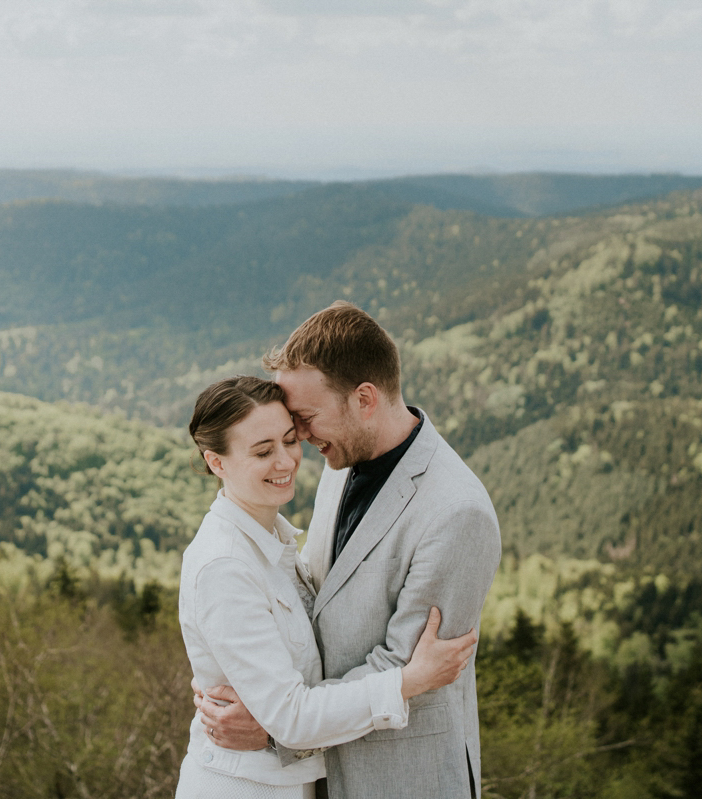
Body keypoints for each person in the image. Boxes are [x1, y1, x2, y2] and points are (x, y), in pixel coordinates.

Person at [197, 303, 502, 799]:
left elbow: (403, 670)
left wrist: (277, 727)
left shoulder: (456, 513)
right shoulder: (339, 468)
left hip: (403, 782)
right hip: (321, 778)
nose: (298, 438)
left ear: (364, 399)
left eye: (305, 418)